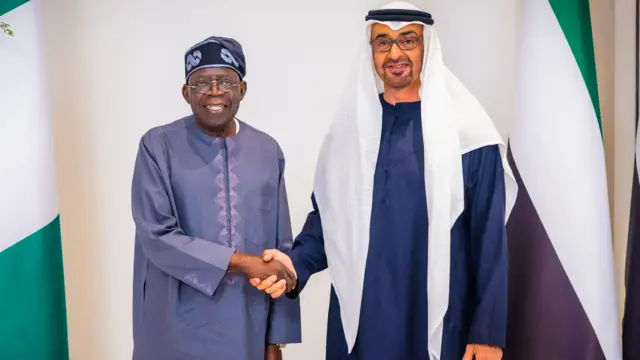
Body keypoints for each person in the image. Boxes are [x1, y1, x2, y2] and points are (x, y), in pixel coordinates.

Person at [250, 2, 518, 360]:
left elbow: (489, 240)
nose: (394, 53)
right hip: (363, 325)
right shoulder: (349, 134)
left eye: (407, 40)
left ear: (427, 46)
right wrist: (293, 265)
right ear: (371, 50)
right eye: (382, 42)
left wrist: (488, 333)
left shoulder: (468, 133)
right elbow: (327, 223)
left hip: (441, 323)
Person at [130, 35, 301, 360]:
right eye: (201, 83)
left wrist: (276, 340)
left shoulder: (267, 151)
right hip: (173, 324)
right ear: (186, 92)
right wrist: (242, 262)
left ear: (242, 89)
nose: (214, 92)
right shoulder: (157, 146)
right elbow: (157, 235)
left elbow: (281, 251)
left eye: (225, 81)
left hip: (246, 326)